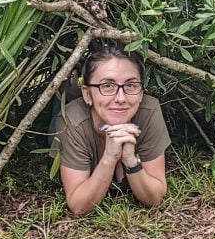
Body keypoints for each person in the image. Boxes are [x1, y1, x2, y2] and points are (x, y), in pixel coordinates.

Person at [53, 40, 171, 216]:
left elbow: (155, 198)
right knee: (58, 108)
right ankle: (68, 90)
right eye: (107, 86)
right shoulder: (71, 120)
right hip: (73, 120)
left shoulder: (149, 110)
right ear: (87, 93)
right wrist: (110, 157)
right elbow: (79, 207)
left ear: (141, 93)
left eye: (131, 85)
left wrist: (130, 159)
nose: (121, 98)